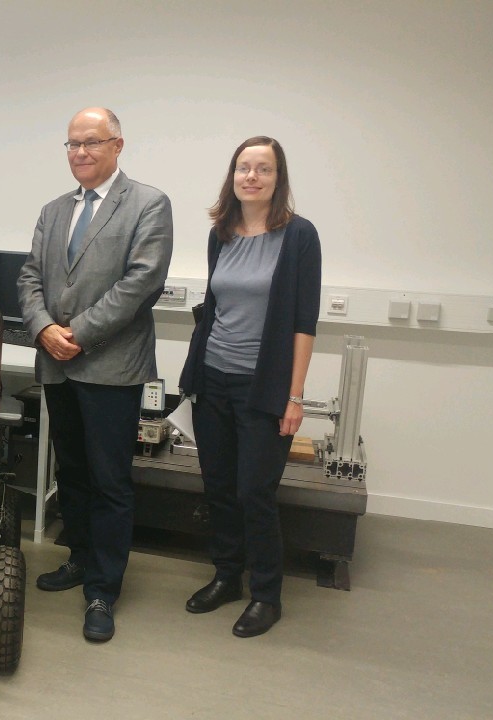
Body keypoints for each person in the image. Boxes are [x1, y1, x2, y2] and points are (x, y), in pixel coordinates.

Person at [18, 107, 173, 642]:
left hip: (111, 366)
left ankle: (103, 589)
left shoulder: (148, 204)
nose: (80, 152)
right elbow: (30, 277)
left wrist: (77, 333)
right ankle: (81, 558)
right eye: (72, 144)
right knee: (73, 474)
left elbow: (141, 283)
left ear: (117, 145)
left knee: (109, 480)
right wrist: (43, 328)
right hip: (57, 364)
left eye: (91, 142)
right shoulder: (53, 210)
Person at [178, 136, 321, 638]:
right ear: (232, 176)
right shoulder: (221, 234)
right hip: (212, 377)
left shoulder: (299, 236)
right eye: (244, 167)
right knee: (218, 486)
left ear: (278, 179)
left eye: (263, 168)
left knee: (254, 492)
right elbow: (216, 307)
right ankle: (226, 577)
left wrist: (294, 396)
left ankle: (266, 595)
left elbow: (304, 323)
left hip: (263, 388)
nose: (252, 176)